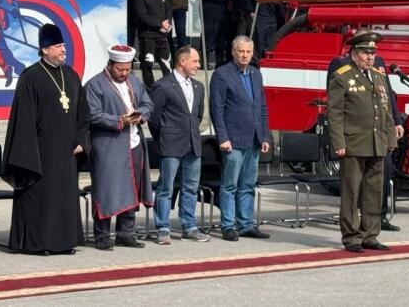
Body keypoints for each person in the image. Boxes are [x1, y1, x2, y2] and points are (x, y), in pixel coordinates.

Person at [1, 24, 89, 255]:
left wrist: (82, 139)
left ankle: (64, 242)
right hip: (40, 153)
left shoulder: (70, 75)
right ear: (44, 49)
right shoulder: (30, 77)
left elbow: (83, 113)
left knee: (65, 198)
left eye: (63, 46)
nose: (63, 50)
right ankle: (38, 243)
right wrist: (29, 153)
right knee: (41, 198)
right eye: (59, 46)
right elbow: (23, 120)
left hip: (67, 152)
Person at [326, 30, 405, 232]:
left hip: (377, 142)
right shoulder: (342, 76)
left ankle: (370, 234)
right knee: (351, 193)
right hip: (353, 143)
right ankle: (351, 236)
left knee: (374, 191)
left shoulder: (378, 76)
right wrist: (339, 143)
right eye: (365, 52)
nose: (370, 57)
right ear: (354, 53)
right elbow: (334, 113)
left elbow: (385, 109)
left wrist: (390, 140)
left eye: (372, 52)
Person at [84, 45, 154, 251]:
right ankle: (102, 235)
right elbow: (92, 114)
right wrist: (120, 120)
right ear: (110, 64)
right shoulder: (95, 85)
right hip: (108, 145)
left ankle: (126, 232)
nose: (124, 73)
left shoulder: (135, 81)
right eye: (120, 70)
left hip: (134, 143)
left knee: (132, 188)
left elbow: (148, 104)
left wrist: (140, 115)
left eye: (127, 69)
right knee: (107, 189)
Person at [209, 36, 272, 241]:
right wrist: (223, 137)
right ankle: (228, 225)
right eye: (240, 51)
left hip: (253, 139)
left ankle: (246, 224)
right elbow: (216, 109)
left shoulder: (256, 74)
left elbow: (261, 107)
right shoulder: (222, 74)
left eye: (248, 52)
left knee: (247, 184)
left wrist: (264, 135)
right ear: (233, 52)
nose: (244, 55)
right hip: (233, 140)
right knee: (230, 185)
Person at [149, 46, 211, 244]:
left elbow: (197, 115)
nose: (198, 65)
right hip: (171, 144)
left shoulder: (198, 87)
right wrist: (164, 137)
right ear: (182, 61)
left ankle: (189, 226)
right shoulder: (164, 85)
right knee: (166, 187)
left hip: (193, 143)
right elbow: (154, 118)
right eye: (195, 61)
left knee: (191, 187)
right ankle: (163, 228)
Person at [134, 0, 172, 88]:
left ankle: (169, 87)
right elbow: (142, 16)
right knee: (148, 65)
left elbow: (168, 8)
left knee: (166, 64)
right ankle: (150, 90)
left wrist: (167, 23)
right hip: (148, 37)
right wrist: (160, 24)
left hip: (162, 36)